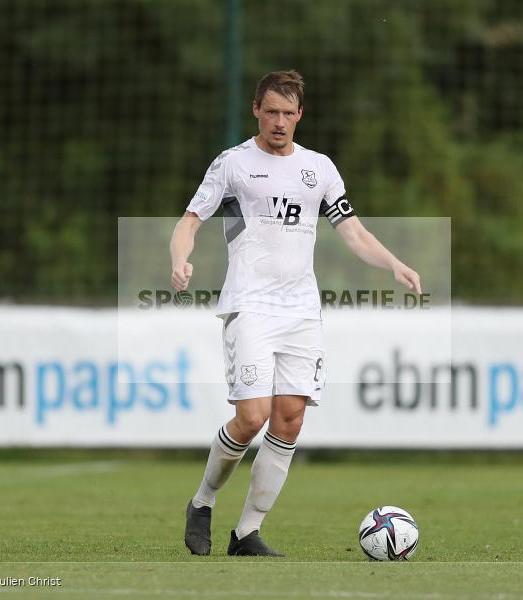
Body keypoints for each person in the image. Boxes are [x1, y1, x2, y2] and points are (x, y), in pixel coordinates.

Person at [171, 70, 421, 557]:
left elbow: (353, 231)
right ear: (256, 111)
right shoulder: (233, 164)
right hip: (250, 304)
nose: (279, 122)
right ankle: (202, 501)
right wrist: (180, 259)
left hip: (302, 310)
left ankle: (246, 533)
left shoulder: (319, 168)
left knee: (289, 419)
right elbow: (189, 221)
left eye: (288, 113)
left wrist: (393, 263)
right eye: (271, 112)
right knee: (251, 418)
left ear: (300, 114)